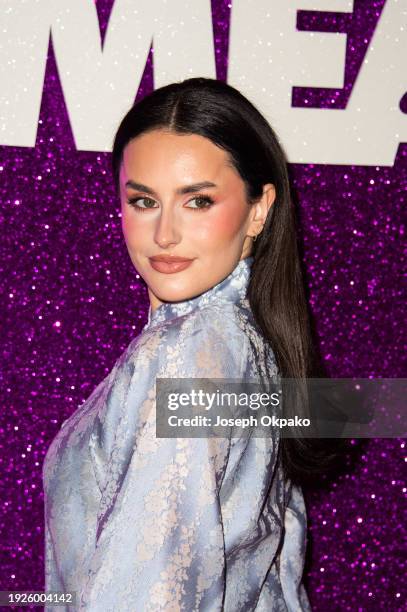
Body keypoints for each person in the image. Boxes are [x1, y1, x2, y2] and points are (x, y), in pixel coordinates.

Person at [43, 77, 330, 611]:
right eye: (144, 201)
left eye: (197, 200)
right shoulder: (244, 339)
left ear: (259, 208)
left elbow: (156, 589)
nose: (165, 234)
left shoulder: (190, 353)